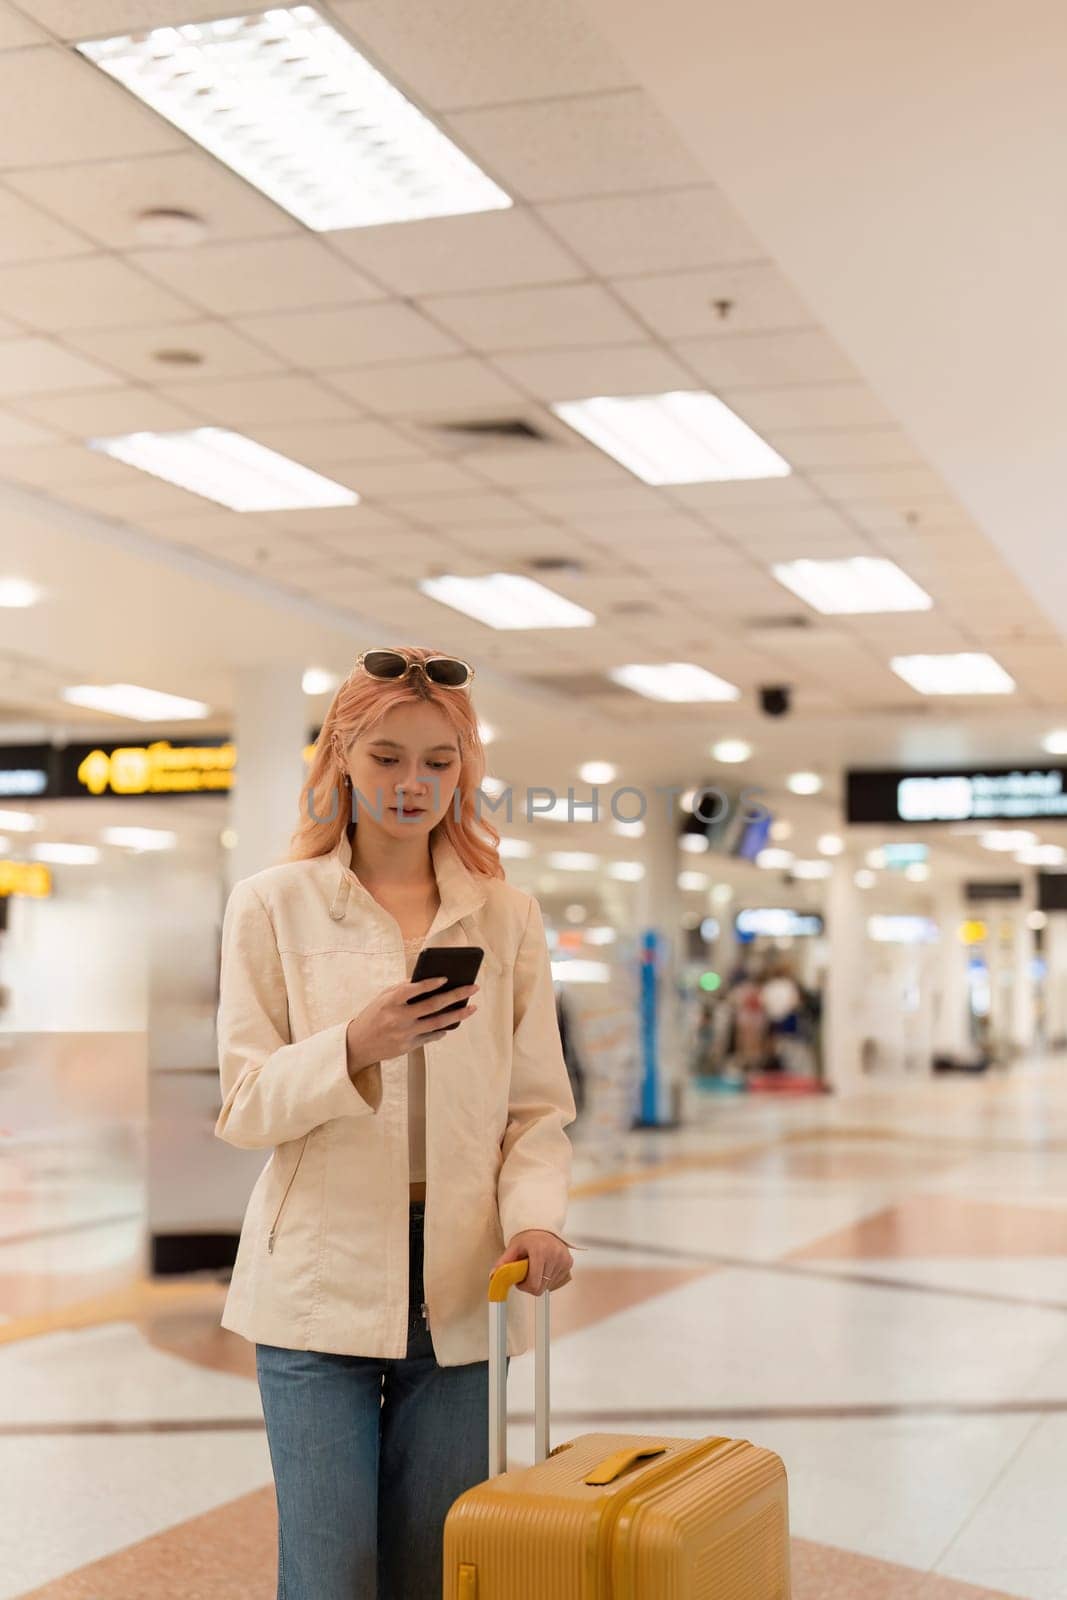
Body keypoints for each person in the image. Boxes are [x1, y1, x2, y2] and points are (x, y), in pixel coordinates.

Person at [214, 646, 579, 1600]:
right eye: (385, 758)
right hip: (315, 1283)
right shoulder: (272, 904)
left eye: (438, 761)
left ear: (464, 773)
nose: (412, 784)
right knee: (332, 1573)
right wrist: (353, 1045)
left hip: (465, 1281)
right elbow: (244, 1105)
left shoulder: (504, 917)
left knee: (436, 1567)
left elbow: (536, 1107)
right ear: (339, 757)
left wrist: (536, 1218)